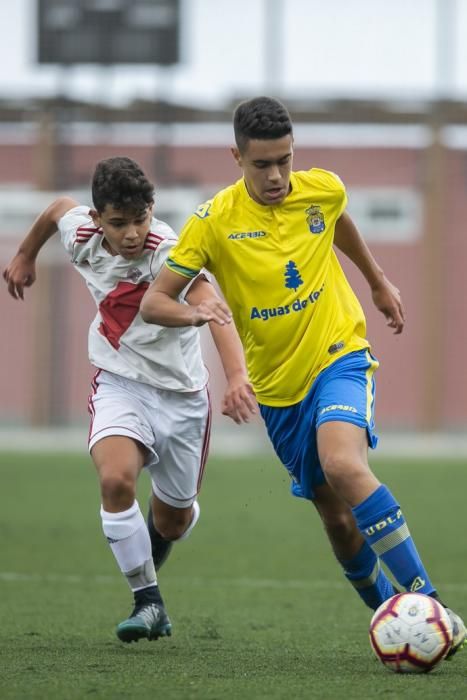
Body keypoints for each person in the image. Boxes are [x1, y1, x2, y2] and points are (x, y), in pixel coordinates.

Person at [139, 96, 466, 657]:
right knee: (337, 521)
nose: (277, 176)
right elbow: (154, 301)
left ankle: (428, 604)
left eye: (285, 161)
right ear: (236, 157)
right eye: (262, 164)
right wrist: (199, 313)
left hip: (339, 354)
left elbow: (337, 222)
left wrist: (379, 281)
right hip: (277, 391)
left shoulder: (321, 189)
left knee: (343, 462)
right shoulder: (212, 222)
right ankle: (396, 619)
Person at [3, 156, 256, 644]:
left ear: (151, 211)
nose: (132, 233)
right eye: (119, 223)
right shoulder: (82, 236)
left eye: (140, 219)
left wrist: (237, 376)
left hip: (183, 398)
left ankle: (162, 535)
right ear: (98, 220)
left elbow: (212, 307)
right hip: (121, 384)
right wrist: (25, 255)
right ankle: (149, 601)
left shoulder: (168, 250)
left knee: (173, 520)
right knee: (116, 480)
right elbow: (57, 208)